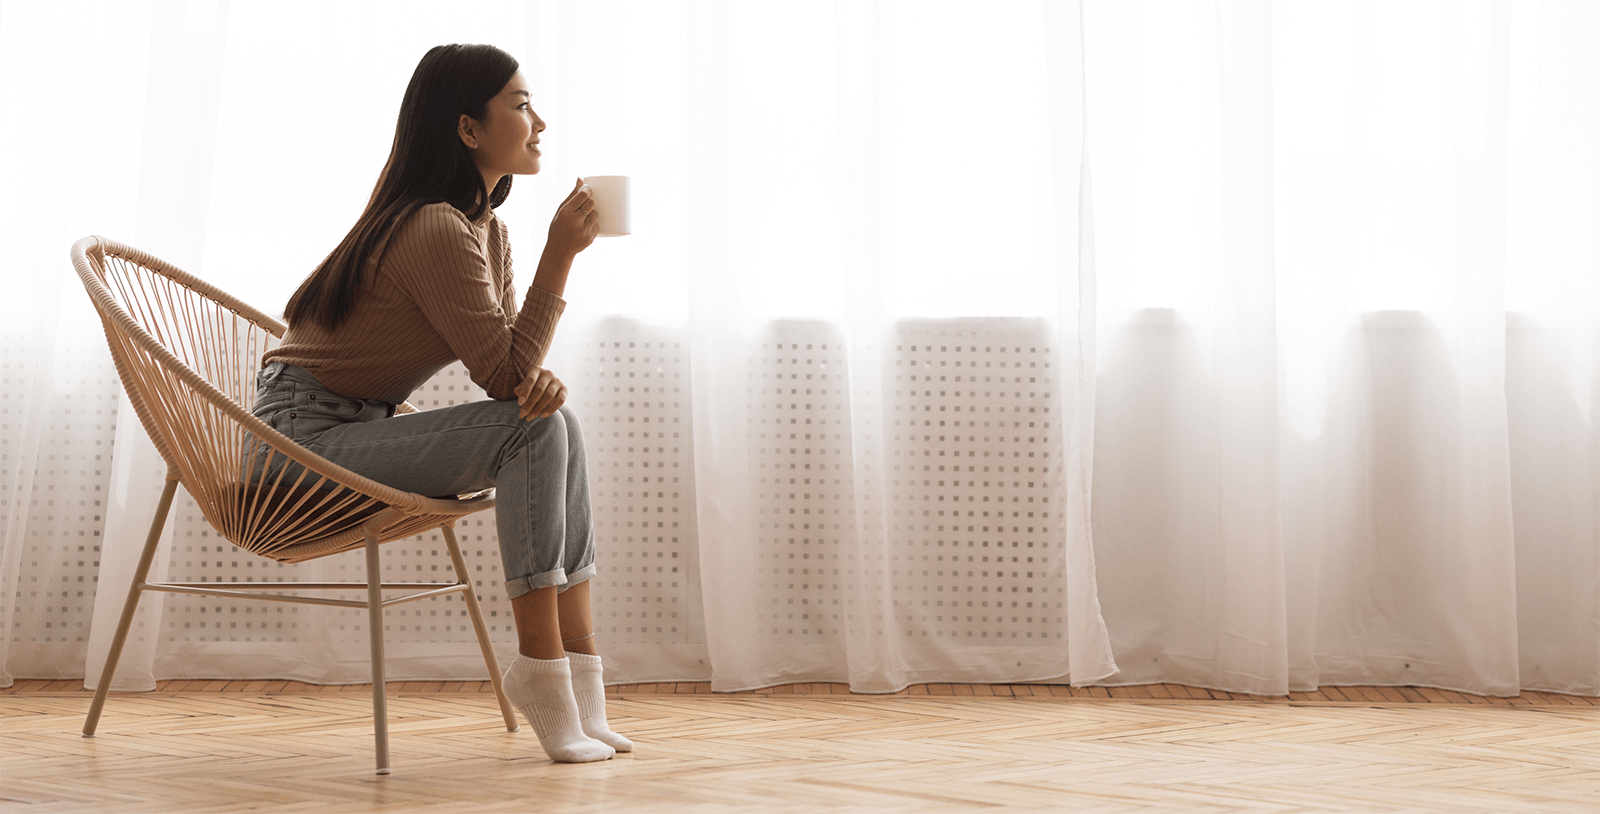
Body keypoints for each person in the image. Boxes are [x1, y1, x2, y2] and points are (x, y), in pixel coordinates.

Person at [251, 43, 626, 763]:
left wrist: (536, 383)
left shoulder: (484, 230)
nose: (539, 120)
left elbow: (512, 374)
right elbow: (502, 375)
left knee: (554, 421)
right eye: (520, 105)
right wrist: (563, 256)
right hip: (296, 446)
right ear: (467, 130)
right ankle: (544, 676)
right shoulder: (434, 228)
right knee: (533, 431)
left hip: (353, 428)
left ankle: (580, 688)